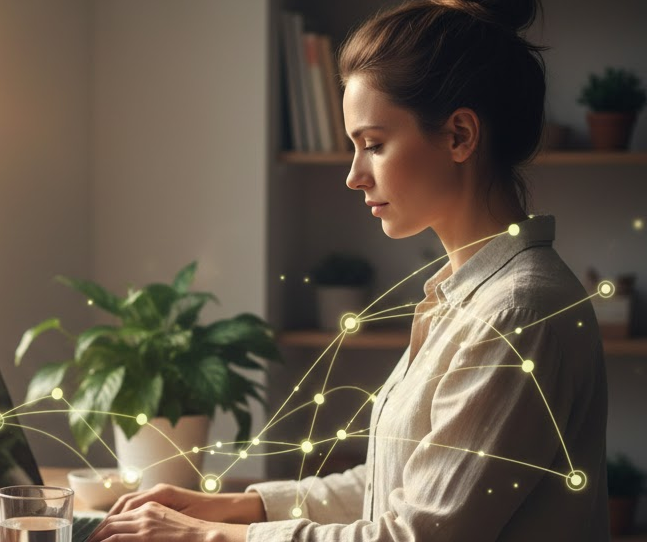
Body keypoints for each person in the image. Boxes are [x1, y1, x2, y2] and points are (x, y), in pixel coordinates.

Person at [87, 0, 610, 540]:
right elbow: (398, 483)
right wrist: (234, 508)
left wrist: (205, 537)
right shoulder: (465, 295)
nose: (355, 175)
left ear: (459, 135)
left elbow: (415, 534)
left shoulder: (516, 312)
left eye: (374, 145)